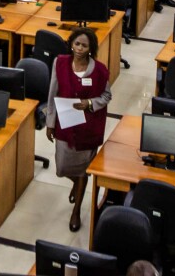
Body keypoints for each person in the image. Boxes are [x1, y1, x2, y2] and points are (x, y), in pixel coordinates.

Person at [45, 28, 110, 232]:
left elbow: (107, 96)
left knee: (83, 170)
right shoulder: (60, 62)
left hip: (88, 125)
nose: (80, 48)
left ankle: (76, 211)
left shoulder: (99, 70)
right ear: (71, 43)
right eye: (77, 44)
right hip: (65, 121)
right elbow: (52, 92)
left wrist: (89, 103)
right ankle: (76, 182)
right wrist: (50, 122)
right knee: (62, 167)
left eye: (84, 45)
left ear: (91, 49)